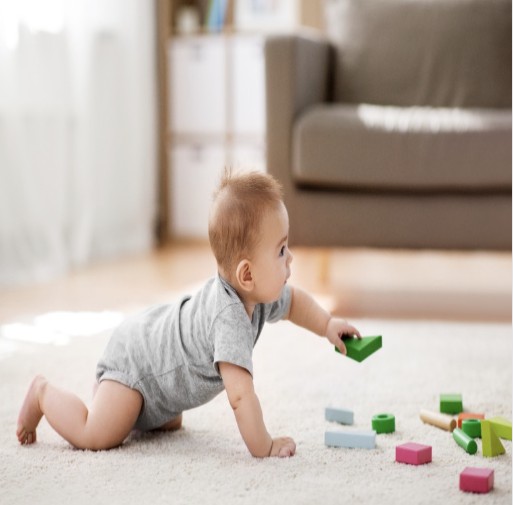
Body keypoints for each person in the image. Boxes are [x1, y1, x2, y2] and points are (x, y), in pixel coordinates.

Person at [16, 170, 361, 457]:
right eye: (282, 250)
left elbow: (295, 303)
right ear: (247, 274)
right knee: (98, 435)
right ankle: (43, 393)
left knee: (168, 423)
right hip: (135, 365)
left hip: (155, 362)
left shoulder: (256, 292)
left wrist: (327, 324)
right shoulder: (228, 318)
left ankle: (151, 409)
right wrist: (265, 446)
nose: (291, 257)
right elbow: (241, 396)